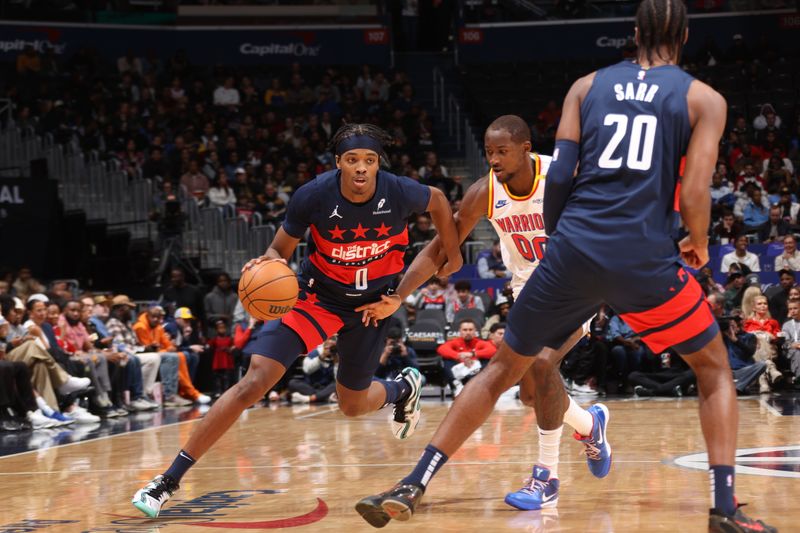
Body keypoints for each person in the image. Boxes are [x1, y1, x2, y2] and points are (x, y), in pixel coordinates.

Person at [354, 2, 775, 530]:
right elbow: (694, 190)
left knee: (508, 371)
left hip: (570, 258)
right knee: (713, 371)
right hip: (642, 257)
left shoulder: (585, 86)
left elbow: (561, 178)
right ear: (686, 34)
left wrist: (563, 243)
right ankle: (724, 509)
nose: (493, 159)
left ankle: (442, 479)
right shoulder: (703, 98)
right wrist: (696, 241)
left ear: (634, 33)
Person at [131, 123, 462, 518]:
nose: (361, 168)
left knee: (353, 406)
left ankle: (400, 389)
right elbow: (279, 248)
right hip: (315, 298)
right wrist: (267, 262)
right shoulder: (313, 195)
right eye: (353, 160)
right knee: (253, 382)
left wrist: (450, 256)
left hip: (373, 305)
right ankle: (167, 480)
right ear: (338, 162)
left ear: (378, 164)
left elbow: (440, 201)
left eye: (369, 161)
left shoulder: (400, 190)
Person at [355, 115, 605, 515]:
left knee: (541, 366)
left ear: (526, 149)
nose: (494, 159)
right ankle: (591, 426)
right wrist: (399, 295)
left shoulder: (560, 177)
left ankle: (547, 477)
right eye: (489, 152)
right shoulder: (485, 192)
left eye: (502, 151)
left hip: (577, 284)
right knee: (531, 394)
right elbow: (440, 247)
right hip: (528, 288)